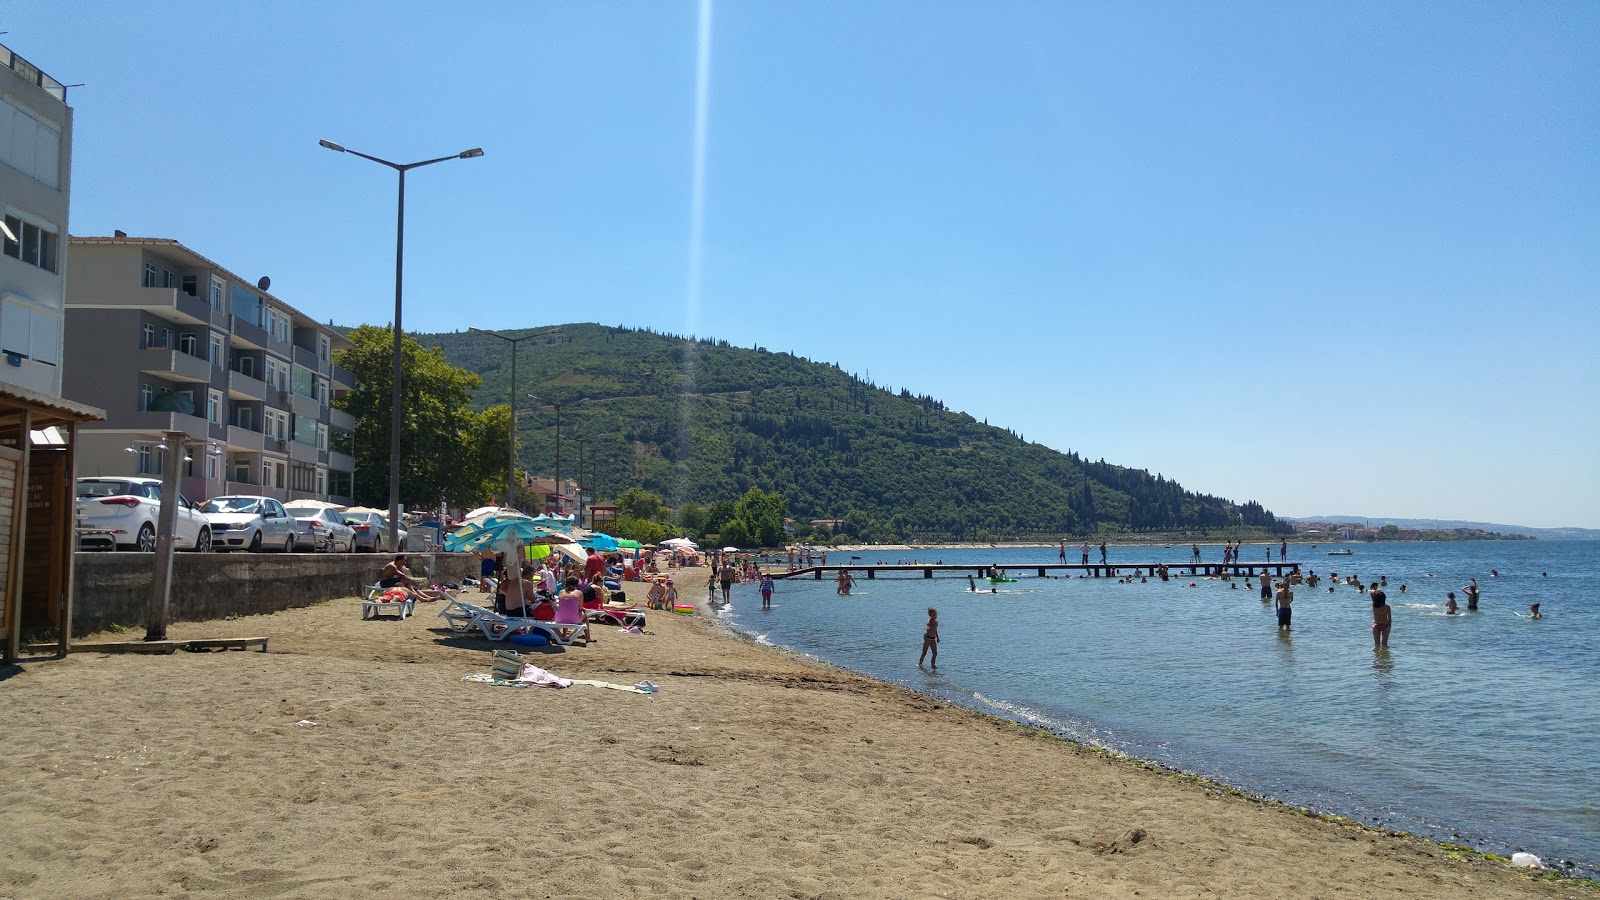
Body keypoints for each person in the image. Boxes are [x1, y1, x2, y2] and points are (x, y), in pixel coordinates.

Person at [377, 554, 443, 602]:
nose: (405, 562)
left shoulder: (399, 565)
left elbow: (404, 576)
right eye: (405, 560)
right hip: (385, 583)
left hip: (391, 581)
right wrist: (414, 582)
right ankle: (422, 598)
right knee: (406, 581)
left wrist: (406, 582)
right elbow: (403, 576)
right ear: (400, 560)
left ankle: (427, 597)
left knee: (412, 587)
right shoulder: (392, 566)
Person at [554, 575, 592, 643]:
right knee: (585, 616)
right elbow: (580, 608)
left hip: (559, 618)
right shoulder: (579, 593)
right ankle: (588, 637)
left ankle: (564, 635)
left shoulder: (561, 592)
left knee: (565, 612)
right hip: (573, 619)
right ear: (576, 584)